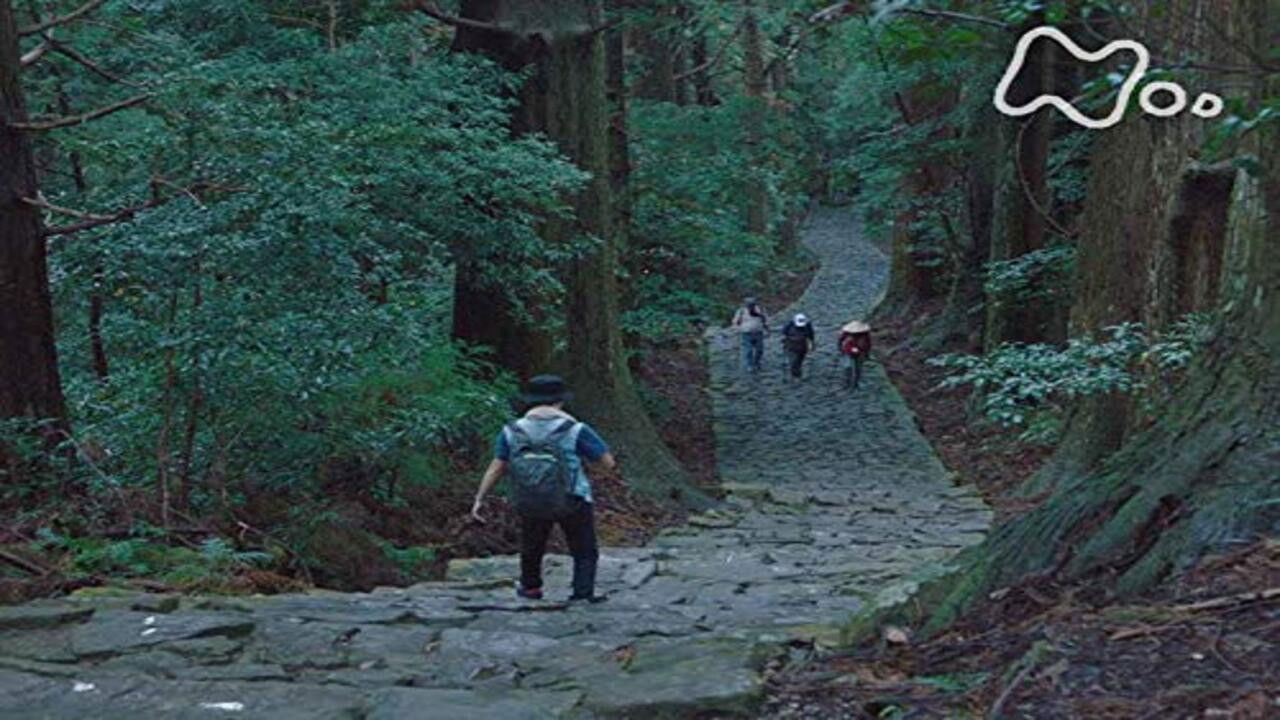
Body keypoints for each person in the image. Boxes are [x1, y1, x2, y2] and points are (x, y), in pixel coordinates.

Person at [471, 375, 616, 603]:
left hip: (530, 497)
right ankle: (582, 592)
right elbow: (607, 462)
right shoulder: (575, 429)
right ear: (560, 401)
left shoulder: (512, 430)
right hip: (573, 496)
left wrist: (480, 498)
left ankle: (531, 587)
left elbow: (497, 466)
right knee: (584, 548)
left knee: (532, 544)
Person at [731, 297, 769, 372]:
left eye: (752, 304)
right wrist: (737, 329)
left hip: (758, 332)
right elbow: (735, 321)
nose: (750, 306)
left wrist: (767, 328)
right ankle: (750, 365)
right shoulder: (741, 311)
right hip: (746, 333)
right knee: (748, 350)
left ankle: (757, 362)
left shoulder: (760, 310)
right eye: (749, 304)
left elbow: (765, 319)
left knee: (759, 349)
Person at [838, 320, 872, 389]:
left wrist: (866, 353)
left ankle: (856, 383)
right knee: (847, 367)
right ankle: (847, 382)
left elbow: (868, 344)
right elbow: (840, 341)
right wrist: (841, 349)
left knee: (858, 368)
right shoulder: (846, 334)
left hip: (860, 353)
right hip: (847, 352)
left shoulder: (865, 334)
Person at [780, 313, 815, 379]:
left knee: (799, 361)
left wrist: (812, 345)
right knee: (793, 361)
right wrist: (784, 340)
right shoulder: (789, 325)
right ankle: (795, 375)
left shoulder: (808, 326)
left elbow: (811, 336)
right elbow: (783, 334)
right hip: (791, 346)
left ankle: (797, 373)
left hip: (803, 346)